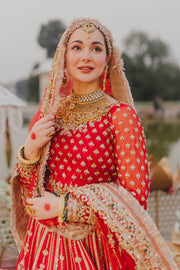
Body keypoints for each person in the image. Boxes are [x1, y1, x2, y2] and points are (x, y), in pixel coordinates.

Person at [11, 18, 177, 269]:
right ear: (63, 57)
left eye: (96, 48)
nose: (86, 56)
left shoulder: (120, 116)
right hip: (43, 247)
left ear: (108, 59)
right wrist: (30, 150)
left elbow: (134, 201)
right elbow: (29, 192)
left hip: (94, 250)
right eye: (77, 47)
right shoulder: (52, 115)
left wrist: (64, 207)